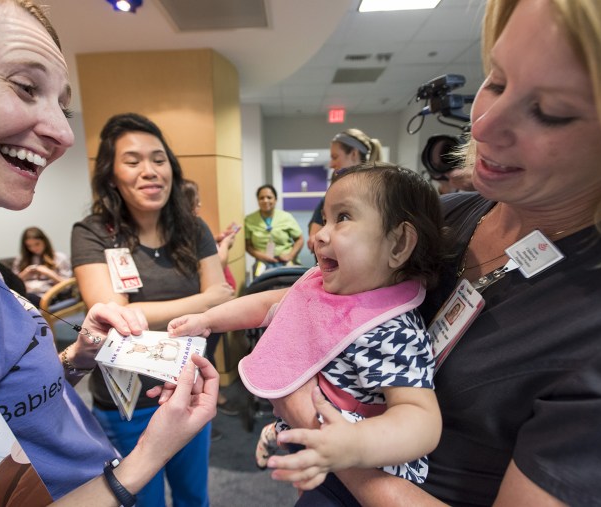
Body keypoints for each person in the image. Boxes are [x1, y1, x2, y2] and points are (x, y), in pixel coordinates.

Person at [257, 0, 601, 505]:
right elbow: (323, 304)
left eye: (549, 112)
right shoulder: (448, 214)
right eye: (497, 80)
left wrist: (325, 436)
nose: (482, 125)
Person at [0, 1, 218, 506]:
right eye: (25, 88)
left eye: (62, 108)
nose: (63, 134)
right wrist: (143, 461)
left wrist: (76, 357)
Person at [170, 163, 446, 487]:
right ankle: (283, 430)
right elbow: (265, 303)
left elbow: (421, 418)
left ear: (398, 244)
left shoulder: (393, 330)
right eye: (325, 218)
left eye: (342, 218)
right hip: (318, 442)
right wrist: (207, 319)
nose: (318, 234)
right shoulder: (324, 287)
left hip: (359, 463)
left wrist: (355, 444)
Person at [71, 112, 235, 507]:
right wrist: (205, 302)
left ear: (172, 169)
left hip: (187, 391)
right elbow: (111, 313)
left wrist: (142, 310)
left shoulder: (192, 229)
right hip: (127, 403)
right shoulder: (93, 232)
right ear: (112, 176)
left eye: (159, 159)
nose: (150, 171)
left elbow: (224, 296)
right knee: (140, 500)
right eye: (133, 161)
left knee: (194, 496)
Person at [180, 178, 241, 417]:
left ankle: (209, 401)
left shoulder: (192, 230)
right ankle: (209, 403)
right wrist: (225, 244)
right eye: (196, 200)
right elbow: (217, 263)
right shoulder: (192, 227)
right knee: (202, 355)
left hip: (211, 307)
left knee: (204, 353)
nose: (200, 203)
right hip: (206, 309)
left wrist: (213, 241)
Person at [306, 129, 383, 253]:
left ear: (353, 154)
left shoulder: (380, 195)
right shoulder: (330, 197)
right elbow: (314, 234)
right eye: (326, 220)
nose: (331, 164)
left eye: (335, 157)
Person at [244, 184, 304, 277]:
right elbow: (248, 246)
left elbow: (299, 239)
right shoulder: (249, 220)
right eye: (261, 198)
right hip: (262, 260)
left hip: (285, 259)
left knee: (292, 281)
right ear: (258, 200)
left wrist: (290, 255)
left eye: (269, 197)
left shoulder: (286, 217)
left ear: (275, 199)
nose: (265, 200)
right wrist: (261, 256)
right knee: (259, 283)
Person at [12, 226, 72, 302]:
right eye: (29, 246)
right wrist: (25, 274)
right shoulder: (20, 260)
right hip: (25, 294)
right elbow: (13, 285)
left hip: (47, 296)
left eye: (37, 244)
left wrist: (48, 273)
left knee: (27, 299)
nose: (33, 248)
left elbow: (67, 286)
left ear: (44, 241)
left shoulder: (59, 258)